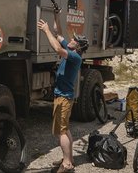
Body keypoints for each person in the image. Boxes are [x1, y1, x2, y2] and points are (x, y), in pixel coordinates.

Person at [37, 11, 89, 173]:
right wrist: (56, 16)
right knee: (64, 129)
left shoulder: (75, 57)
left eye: (74, 40)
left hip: (64, 98)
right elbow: (58, 34)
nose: (71, 40)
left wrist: (45, 30)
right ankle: (70, 158)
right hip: (62, 96)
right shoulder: (73, 50)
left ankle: (67, 164)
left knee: (61, 131)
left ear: (78, 46)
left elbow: (58, 48)